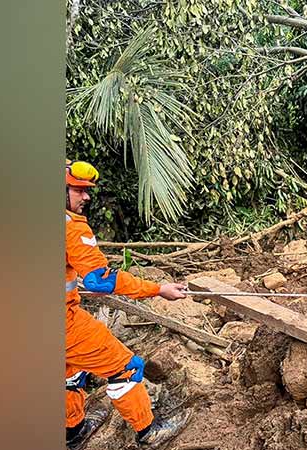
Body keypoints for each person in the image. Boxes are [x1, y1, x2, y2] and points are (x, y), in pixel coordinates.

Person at [64, 160, 191, 450]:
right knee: (127, 367)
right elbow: (99, 281)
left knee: (68, 372)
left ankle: (73, 432)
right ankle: (149, 432)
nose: (86, 197)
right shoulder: (70, 228)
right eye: (78, 190)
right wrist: (158, 289)